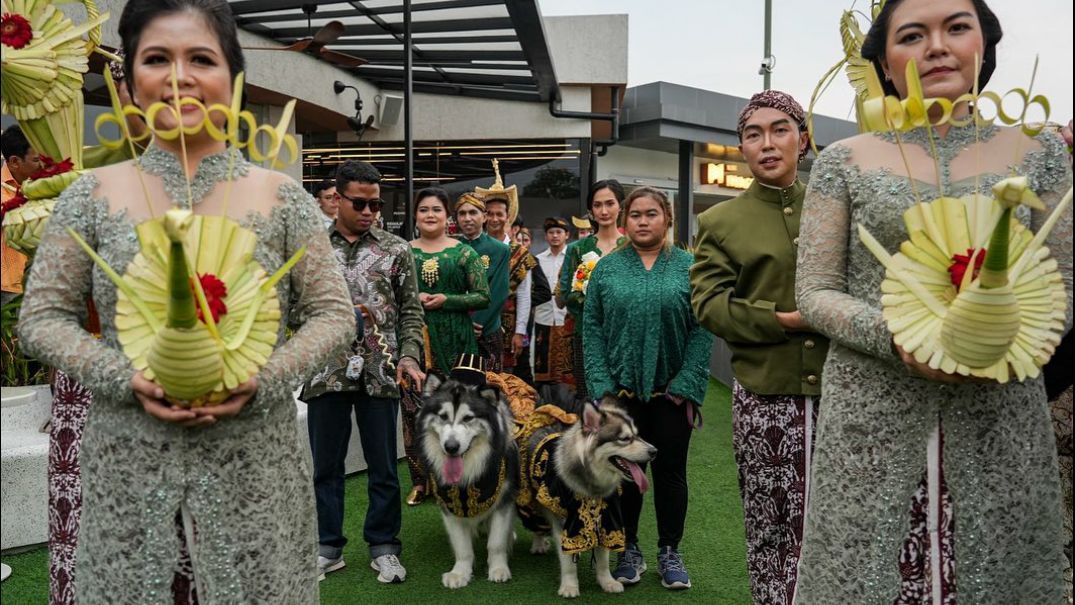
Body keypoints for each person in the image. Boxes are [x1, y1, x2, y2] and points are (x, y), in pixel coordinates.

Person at [17, 0, 355, 601]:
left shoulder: (282, 196)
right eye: (156, 59)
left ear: (233, 74)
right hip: (129, 461)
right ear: (127, 78)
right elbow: (42, 318)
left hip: (255, 464)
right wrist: (124, 376)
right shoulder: (91, 194)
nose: (178, 77)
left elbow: (333, 315)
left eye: (200, 58)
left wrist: (265, 376)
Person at [794, 0, 1072, 602]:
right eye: (913, 35)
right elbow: (815, 292)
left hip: (1001, 409)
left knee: (1003, 568)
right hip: (870, 412)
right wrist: (896, 337)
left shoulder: (1041, 152)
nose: (937, 46)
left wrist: (994, 334)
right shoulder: (844, 160)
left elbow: (1063, 287)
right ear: (886, 64)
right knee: (862, 571)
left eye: (957, 27)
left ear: (985, 44)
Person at [689, 90, 827, 605]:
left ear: (803, 139)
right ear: (741, 149)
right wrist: (781, 320)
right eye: (753, 134)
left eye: (780, 130)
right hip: (768, 397)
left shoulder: (837, 206)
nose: (767, 143)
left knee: (845, 519)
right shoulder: (721, 222)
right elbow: (708, 305)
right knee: (773, 523)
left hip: (845, 392)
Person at [300, 160, 426, 583]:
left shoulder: (396, 249)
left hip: (383, 369)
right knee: (326, 467)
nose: (370, 211)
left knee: (384, 468)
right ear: (336, 199)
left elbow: (410, 312)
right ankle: (327, 546)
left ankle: (384, 547)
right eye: (361, 202)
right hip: (326, 371)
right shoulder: (311, 246)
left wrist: (410, 357)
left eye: (376, 203)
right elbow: (289, 306)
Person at [584, 186, 712, 591]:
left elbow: (702, 329)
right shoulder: (607, 268)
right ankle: (629, 548)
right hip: (621, 398)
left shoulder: (690, 267)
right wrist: (603, 386)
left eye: (651, 213)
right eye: (635, 214)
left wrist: (686, 383)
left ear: (667, 218)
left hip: (671, 396)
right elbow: (592, 329)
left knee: (671, 474)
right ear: (624, 221)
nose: (642, 220)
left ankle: (670, 551)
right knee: (625, 474)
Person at [404, 186, 490, 505]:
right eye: (424, 209)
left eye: (437, 209)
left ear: (447, 216)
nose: (430, 215)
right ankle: (421, 482)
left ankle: (464, 478)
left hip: (460, 342)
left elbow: (483, 295)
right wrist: (415, 301)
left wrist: (447, 299)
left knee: (462, 409)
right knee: (414, 411)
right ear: (415, 215)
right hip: (415, 339)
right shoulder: (403, 252)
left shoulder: (463, 253)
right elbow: (392, 296)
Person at [558, 180, 626, 409]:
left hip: (626, 335)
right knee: (588, 399)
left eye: (610, 203)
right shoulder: (578, 248)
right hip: (586, 335)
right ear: (591, 211)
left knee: (625, 399)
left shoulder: (632, 246)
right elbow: (567, 293)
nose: (604, 211)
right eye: (598, 205)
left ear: (620, 207)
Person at [477, 162, 549, 377]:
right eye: (489, 213)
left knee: (507, 381)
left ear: (508, 216)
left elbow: (525, 296)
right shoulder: (472, 248)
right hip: (476, 323)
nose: (494, 219)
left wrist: (520, 332)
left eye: (499, 214)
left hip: (508, 324)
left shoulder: (519, 253)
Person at [454, 191, 509, 371]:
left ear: (484, 216)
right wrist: (462, 323)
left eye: (473, 212)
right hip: (455, 328)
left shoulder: (499, 249)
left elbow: (498, 291)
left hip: (487, 328)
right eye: (462, 214)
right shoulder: (450, 248)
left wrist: (477, 323)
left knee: (489, 387)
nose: (467, 218)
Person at [533, 216, 574, 407]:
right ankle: (545, 405)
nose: (555, 236)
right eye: (551, 232)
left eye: (559, 232)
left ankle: (567, 404)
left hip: (566, 317)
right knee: (543, 364)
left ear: (567, 235)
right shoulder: (537, 259)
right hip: (543, 317)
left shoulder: (573, 257)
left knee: (566, 366)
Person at [1, 124, 41, 304]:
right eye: (36, 160)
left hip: (33, 287)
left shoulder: (41, 188)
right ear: (15, 162)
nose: (43, 165)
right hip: (6, 289)